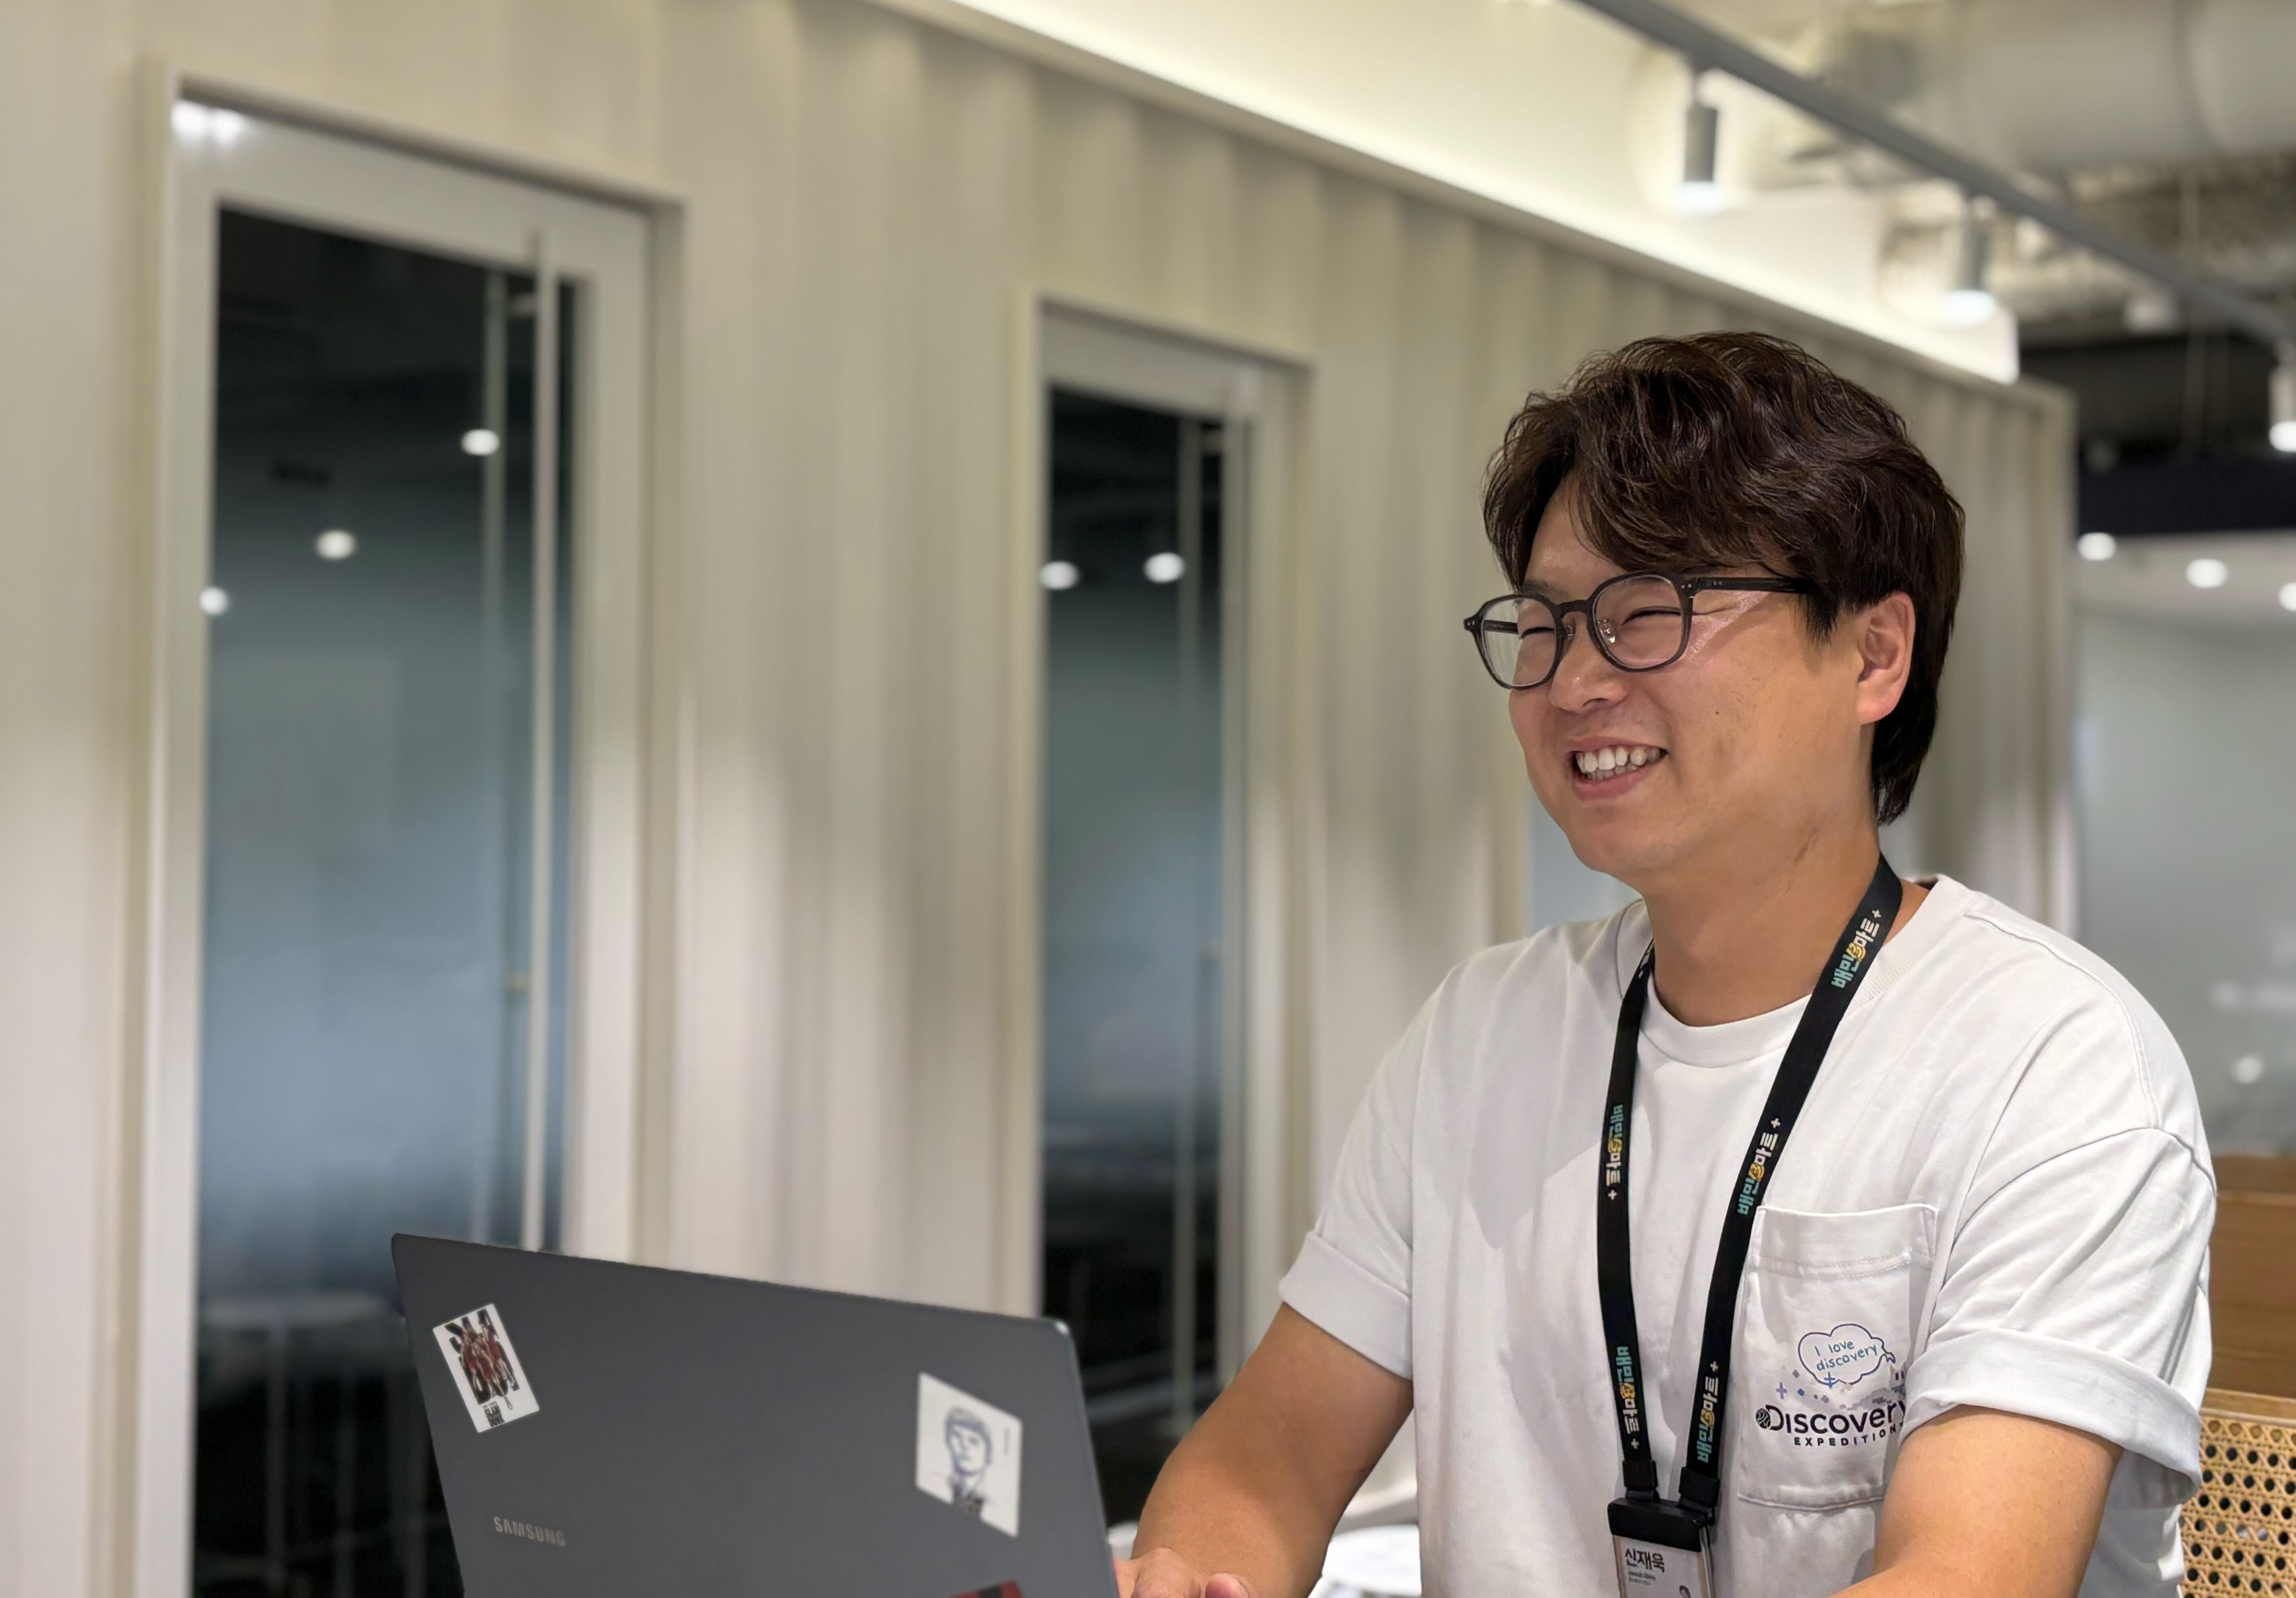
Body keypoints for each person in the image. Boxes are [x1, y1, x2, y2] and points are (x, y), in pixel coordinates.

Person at [1117, 333, 2214, 1598]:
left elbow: (1967, 1577)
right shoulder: (1483, 1033)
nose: (1576, 680)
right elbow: (1268, 1456)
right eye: (1544, 624)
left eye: (1650, 612)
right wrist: (1196, 1572)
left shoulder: (2055, 1066)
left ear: (1874, 655)